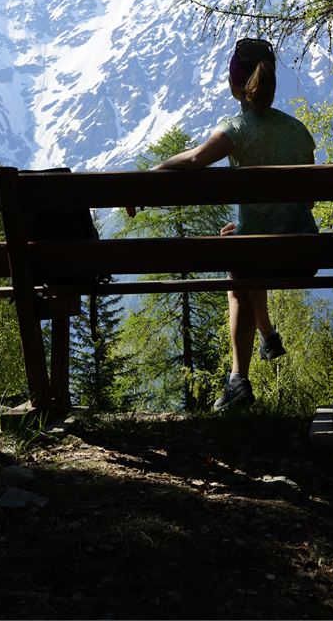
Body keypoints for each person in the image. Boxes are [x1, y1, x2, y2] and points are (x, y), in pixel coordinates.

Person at [128, 37, 317, 410]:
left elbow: (197, 159)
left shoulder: (236, 129)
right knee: (246, 249)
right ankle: (265, 336)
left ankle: (238, 379)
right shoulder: (298, 131)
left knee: (241, 265)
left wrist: (151, 175)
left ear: (236, 85)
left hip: (257, 257)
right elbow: (306, 200)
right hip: (304, 252)